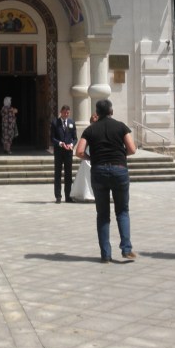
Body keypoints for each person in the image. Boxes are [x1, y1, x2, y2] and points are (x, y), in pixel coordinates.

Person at [75, 99, 137, 262]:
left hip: (99, 171)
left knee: (102, 214)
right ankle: (126, 248)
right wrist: (121, 155)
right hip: (119, 170)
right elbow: (132, 149)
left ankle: (105, 254)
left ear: (97, 113)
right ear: (111, 111)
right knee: (122, 211)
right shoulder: (121, 126)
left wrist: (92, 157)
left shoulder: (90, 129)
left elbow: (79, 151)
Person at [50, 105, 77, 202]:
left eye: (68, 113)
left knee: (68, 174)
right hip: (59, 151)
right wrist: (60, 143)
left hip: (68, 152)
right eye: (64, 112)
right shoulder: (54, 122)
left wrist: (72, 144)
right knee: (58, 173)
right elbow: (52, 138)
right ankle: (58, 196)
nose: (66, 114)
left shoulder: (71, 122)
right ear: (61, 112)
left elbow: (75, 138)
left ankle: (68, 196)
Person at [70, 114, 96, 202]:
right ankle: (88, 193)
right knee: (86, 175)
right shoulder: (88, 131)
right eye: (93, 121)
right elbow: (81, 149)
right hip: (89, 154)